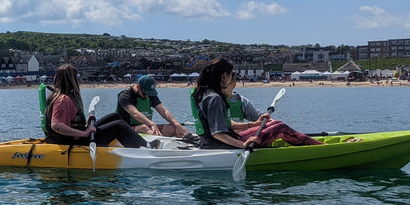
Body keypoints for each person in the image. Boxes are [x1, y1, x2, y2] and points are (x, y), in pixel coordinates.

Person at [193, 59, 323, 149]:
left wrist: (253, 124)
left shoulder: (205, 93)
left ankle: (310, 143)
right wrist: (243, 145)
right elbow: (218, 133)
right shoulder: (214, 98)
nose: (231, 77)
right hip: (222, 144)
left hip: (214, 142)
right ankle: (319, 147)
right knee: (280, 128)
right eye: (230, 74)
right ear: (222, 76)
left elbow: (223, 123)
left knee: (274, 124)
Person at [44, 65, 157, 149]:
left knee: (115, 116)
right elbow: (56, 126)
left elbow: (70, 122)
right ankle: (145, 147)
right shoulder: (62, 100)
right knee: (119, 126)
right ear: (72, 80)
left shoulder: (65, 98)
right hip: (75, 140)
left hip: (77, 136)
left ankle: (133, 141)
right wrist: (84, 133)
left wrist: (86, 126)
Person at [102, 75, 189, 138]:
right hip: (126, 129)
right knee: (144, 127)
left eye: (149, 93)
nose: (147, 96)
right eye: (145, 93)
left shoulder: (149, 94)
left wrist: (177, 125)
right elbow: (135, 113)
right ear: (138, 87)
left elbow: (164, 111)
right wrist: (152, 124)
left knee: (173, 128)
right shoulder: (125, 96)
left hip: (147, 127)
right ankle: (160, 147)